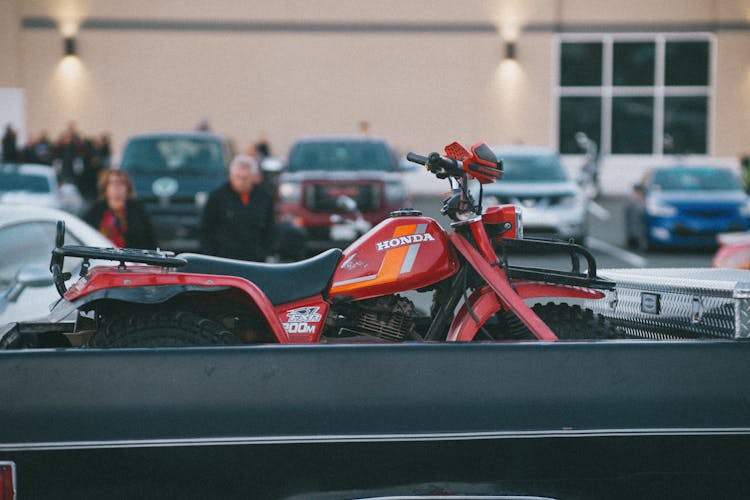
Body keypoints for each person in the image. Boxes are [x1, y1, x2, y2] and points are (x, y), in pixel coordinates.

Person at [200, 155, 275, 261]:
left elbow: (270, 228)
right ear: (231, 176)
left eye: (245, 178)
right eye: (237, 177)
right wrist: (211, 256)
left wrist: (265, 252)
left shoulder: (264, 198)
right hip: (224, 258)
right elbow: (206, 230)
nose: (241, 182)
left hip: (254, 258)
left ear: (253, 177)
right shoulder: (217, 197)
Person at [84, 169, 156, 249]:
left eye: (122, 183)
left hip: (131, 259)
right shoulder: (95, 211)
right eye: (113, 183)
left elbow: (150, 240)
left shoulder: (138, 211)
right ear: (105, 188)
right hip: (101, 258)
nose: (117, 187)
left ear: (128, 188)